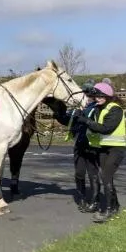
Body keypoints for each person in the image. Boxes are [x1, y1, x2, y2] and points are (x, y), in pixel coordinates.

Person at [52, 80, 126, 223]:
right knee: (103, 176)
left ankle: (108, 208)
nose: (94, 97)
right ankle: (113, 206)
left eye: (97, 95)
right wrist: (61, 115)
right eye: (92, 95)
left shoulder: (114, 109)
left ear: (107, 95)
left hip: (114, 148)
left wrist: (84, 120)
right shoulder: (97, 107)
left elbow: (105, 128)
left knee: (104, 176)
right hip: (101, 146)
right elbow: (75, 121)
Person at [44, 81, 100, 213]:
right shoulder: (79, 108)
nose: (86, 96)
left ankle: (94, 201)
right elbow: (68, 120)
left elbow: (96, 123)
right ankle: (81, 198)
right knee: (79, 173)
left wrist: (83, 116)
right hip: (79, 144)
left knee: (93, 173)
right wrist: (58, 115)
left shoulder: (97, 107)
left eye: (88, 94)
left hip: (92, 145)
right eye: (84, 93)